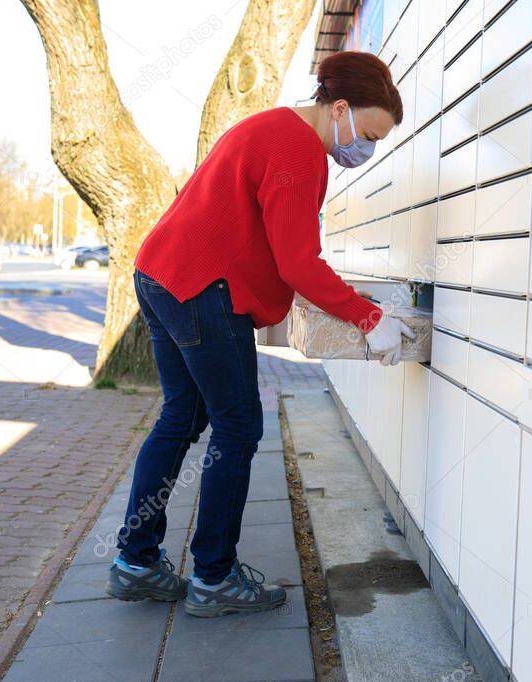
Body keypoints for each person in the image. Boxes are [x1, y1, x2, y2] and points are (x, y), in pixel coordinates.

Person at [107, 50, 413, 616]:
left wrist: (348, 301)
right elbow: (297, 261)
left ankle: (136, 562)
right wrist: (369, 319)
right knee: (239, 424)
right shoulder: (300, 151)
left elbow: (274, 247)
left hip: (161, 273)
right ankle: (214, 577)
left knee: (183, 416)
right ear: (340, 108)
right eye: (368, 133)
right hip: (201, 288)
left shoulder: (271, 125)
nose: (365, 149)